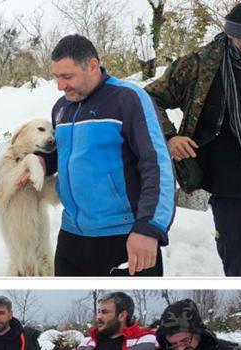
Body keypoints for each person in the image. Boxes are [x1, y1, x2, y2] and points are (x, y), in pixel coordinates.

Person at [42, 34, 175, 276]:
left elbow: (157, 164)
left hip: (123, 234)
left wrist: (148, 227)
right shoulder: (61, 108)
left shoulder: (128, 99)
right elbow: (64, 156)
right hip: (72, 236)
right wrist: (38, 162)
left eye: (67, 76)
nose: (60, 86)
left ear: (92, 65)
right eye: (56, 77)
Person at [146, 2, 241, 276]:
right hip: (231, 187)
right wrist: (170, 137)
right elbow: (147, 98)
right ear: (232, 35)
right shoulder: (200, 64)